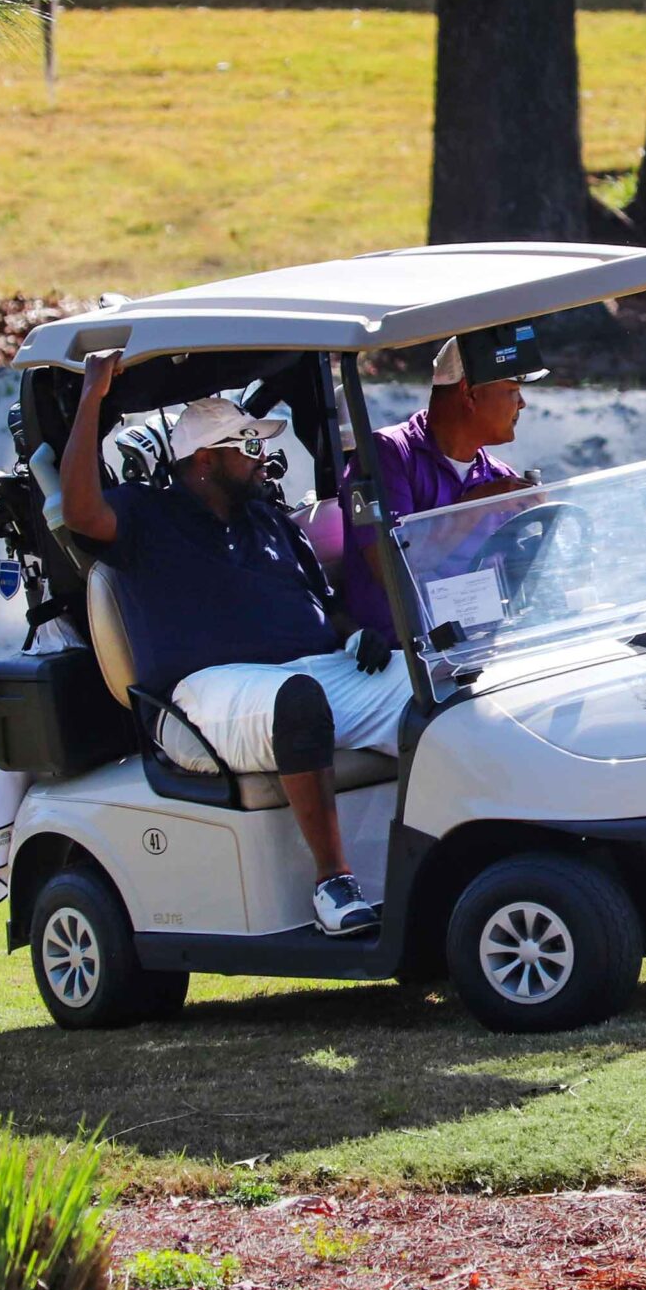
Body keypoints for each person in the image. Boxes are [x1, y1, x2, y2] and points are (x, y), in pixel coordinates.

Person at [61, 352, 410, 937]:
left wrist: (356, 637)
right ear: (204, 460)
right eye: (247, 449)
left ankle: (465, 851)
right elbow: (79, 509)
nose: (262, 460)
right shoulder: (145, 516)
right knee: (296, 701)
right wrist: (93, 395)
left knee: (433, 686)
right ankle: (333, 883)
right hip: (205, 696)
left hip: (313, 673)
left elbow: (319, 605)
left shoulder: (267, 519)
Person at [340, 327, 547, 643]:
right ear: (470, 393)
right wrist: (478, 506)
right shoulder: (387, 455)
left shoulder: (498, 478)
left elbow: (516, 582)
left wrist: (546, 552)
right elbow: (396, 570)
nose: (522, 404)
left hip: (479, 650)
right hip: (402, 660)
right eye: (512, 390)